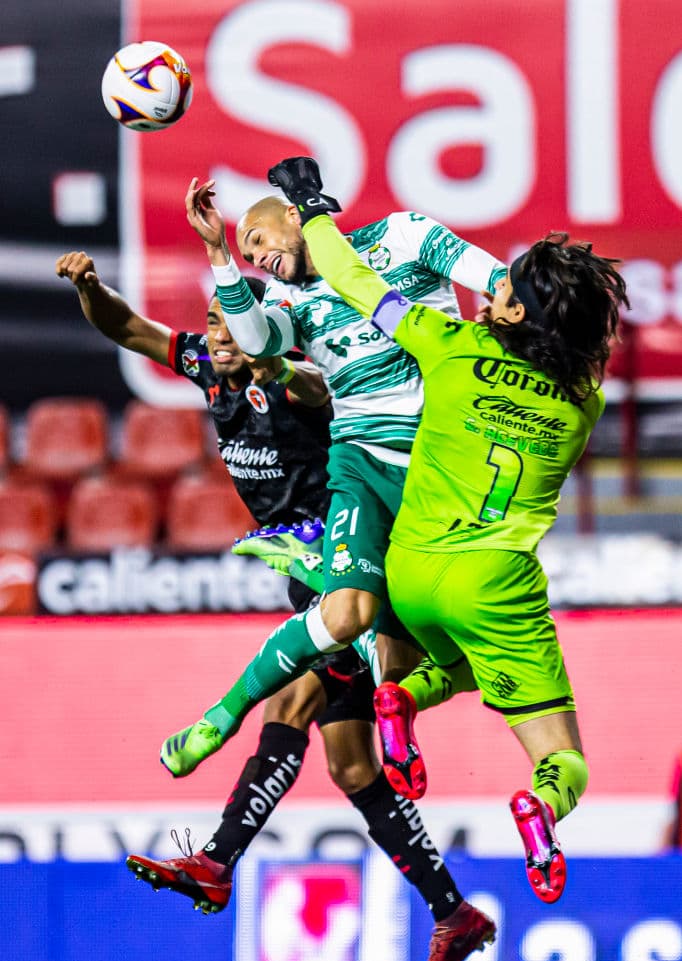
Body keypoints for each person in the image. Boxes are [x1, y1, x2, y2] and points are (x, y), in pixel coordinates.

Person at [55, 250, 492, 961]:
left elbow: (322, 392)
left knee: (293, 702)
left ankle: (221, 860)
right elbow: (128, 329)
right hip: (303, 565)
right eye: (214, 324)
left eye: (235, 324)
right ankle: (452, 911)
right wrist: (92, 289)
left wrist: (281, 371)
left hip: (356, 555)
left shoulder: (292, 374)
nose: (218, 335)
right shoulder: (206, 364)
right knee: (352, 768)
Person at [264, 157, 629, 906]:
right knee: (566, 760)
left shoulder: (450, 347)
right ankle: (538, 809)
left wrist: (310, 205)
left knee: (462, 665)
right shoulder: (582, 403)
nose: (487, 288)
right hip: (492, 584)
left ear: (515, 313)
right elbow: (579, 350)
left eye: (499, 287)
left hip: (411, 568)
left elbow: (353, 279)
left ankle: (397, 699)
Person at [160, 175, 505, 779]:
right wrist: (217, 252)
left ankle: (398, 711)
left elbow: (495, 278)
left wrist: (510, 313)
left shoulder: (404, 236)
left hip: (439, 466)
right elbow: (256, 338)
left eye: (259, 238)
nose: (257, 255)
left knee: (459, 650)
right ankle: (220, 717)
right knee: (346, 616)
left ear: (297, 217)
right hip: (361, 463)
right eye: (248, 253)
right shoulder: (289, 303)